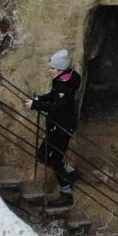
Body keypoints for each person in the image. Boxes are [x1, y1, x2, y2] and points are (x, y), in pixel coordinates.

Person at [31, 49, 82, 208]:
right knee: (43, 155)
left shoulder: (62, 84)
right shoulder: (66, 78)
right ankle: (71, 172)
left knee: (54, 160)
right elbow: (56, 97)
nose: (49, 70)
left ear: (60, 69)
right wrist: (41, 98)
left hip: (61, 127)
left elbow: (58, 108)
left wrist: (35, 105)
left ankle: (66, 194)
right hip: (60, 126)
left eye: (52, 68)